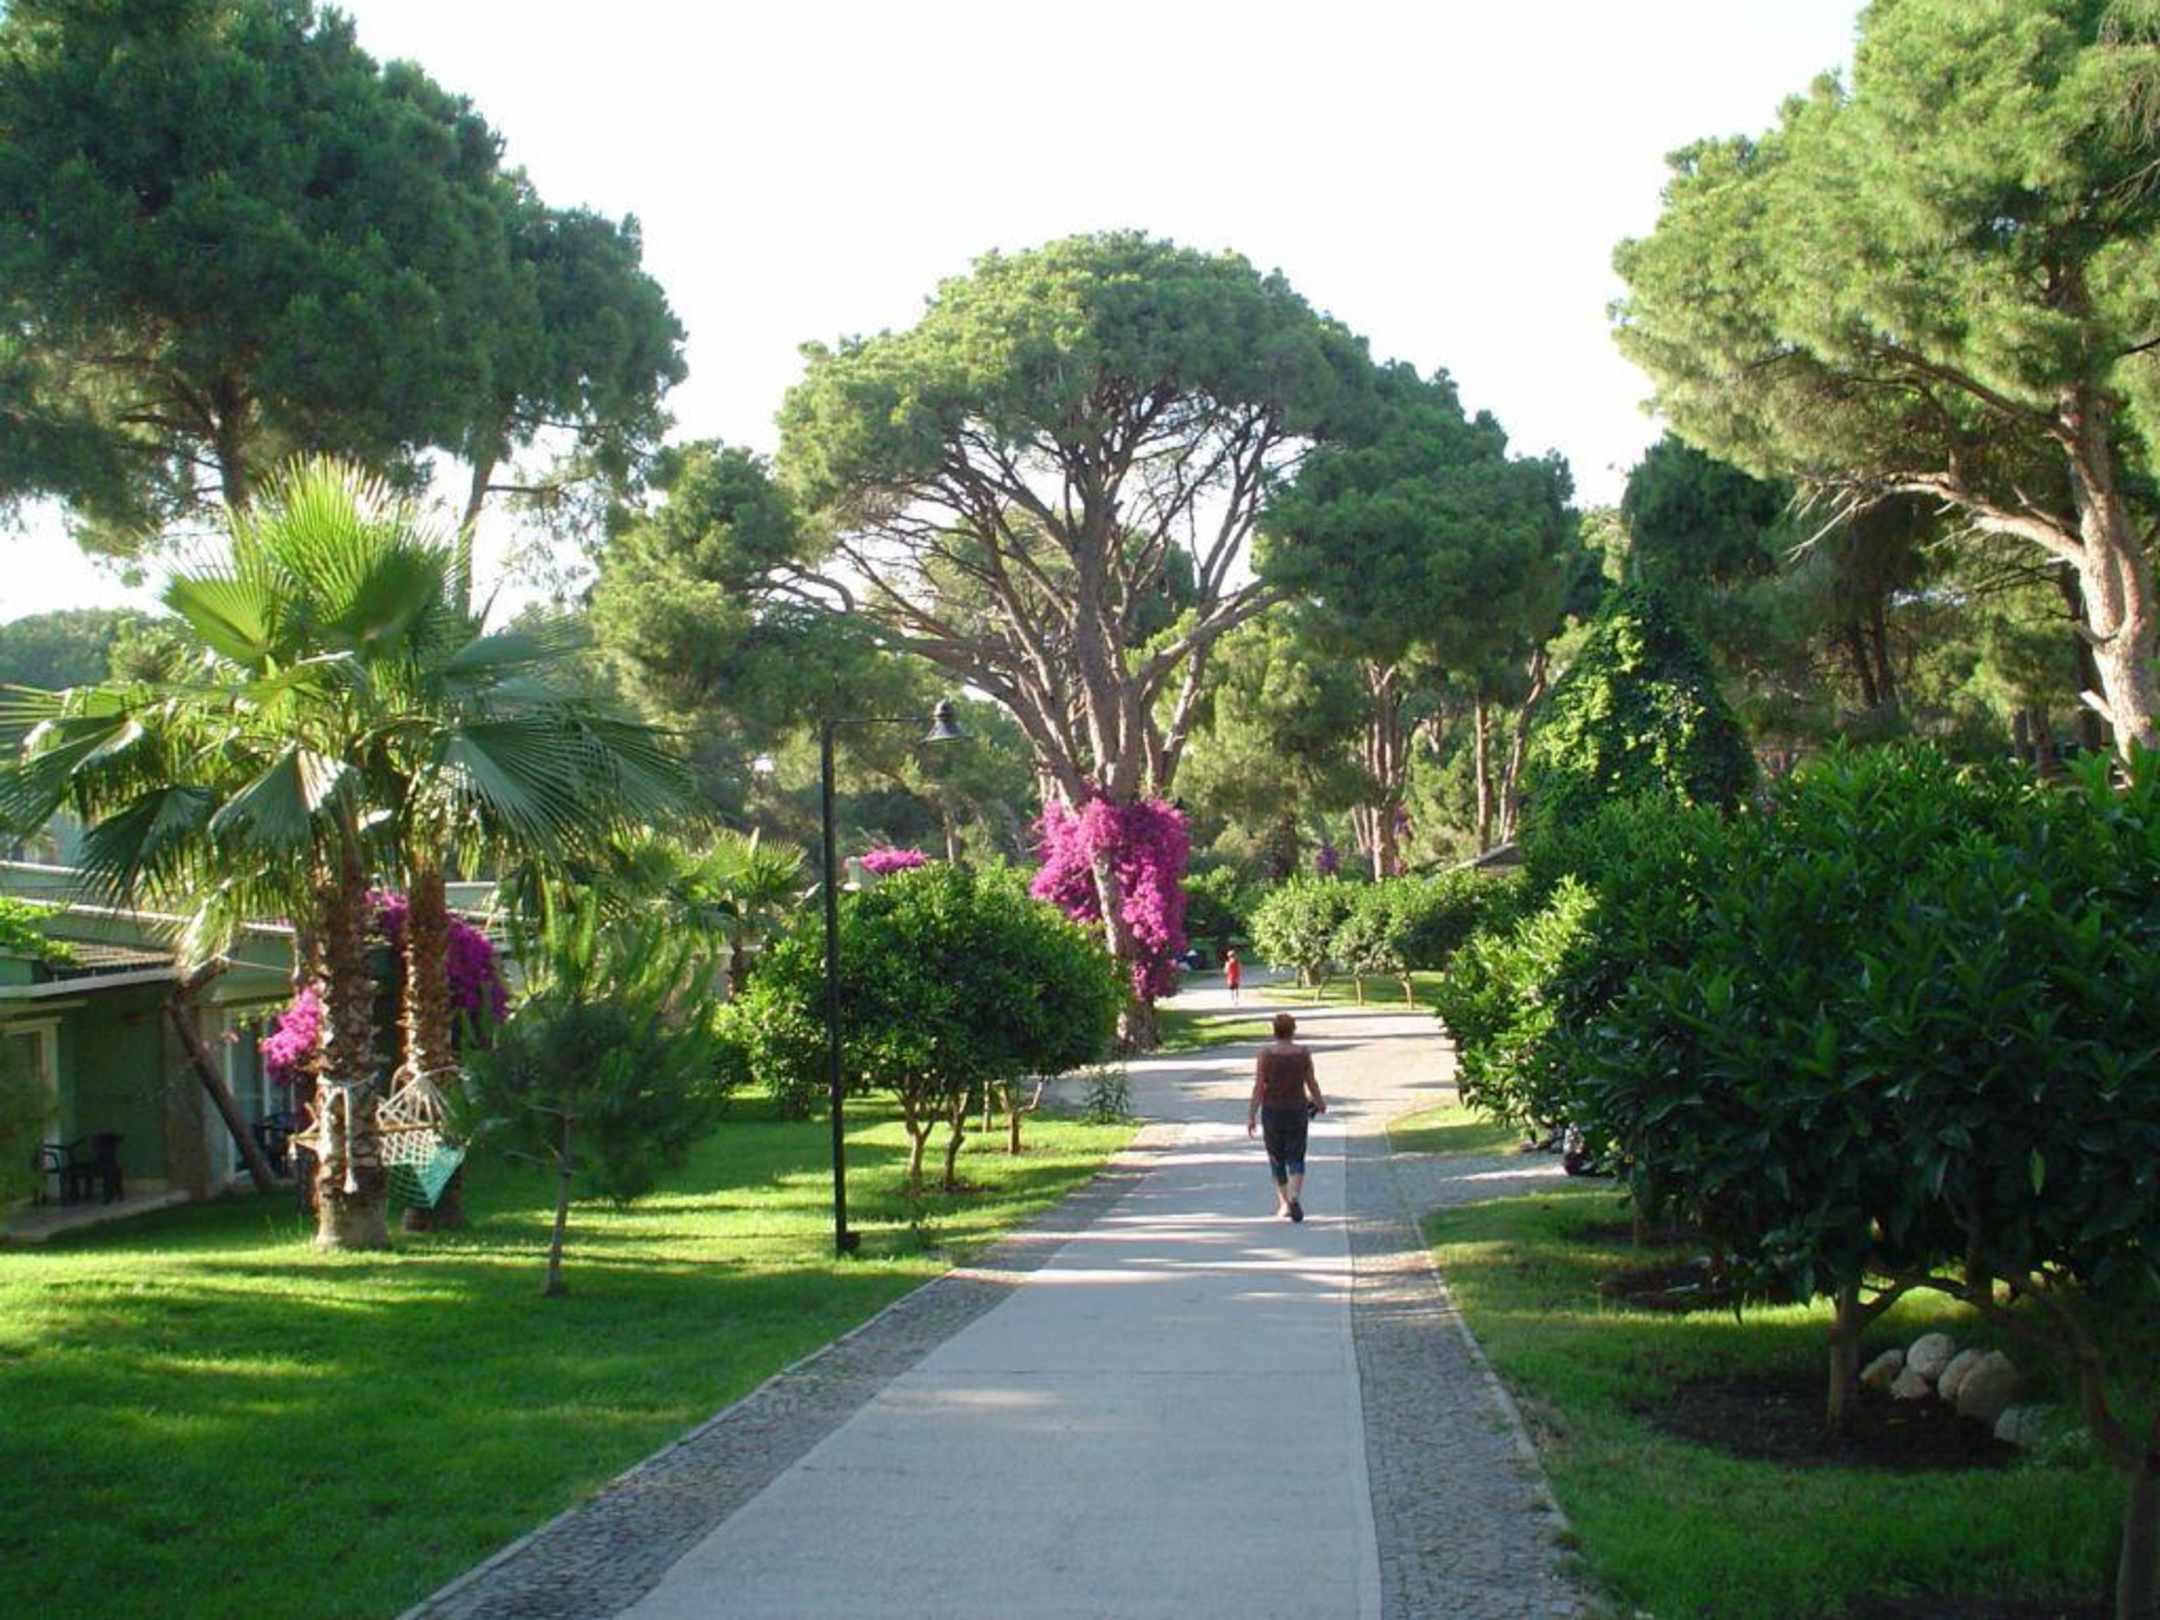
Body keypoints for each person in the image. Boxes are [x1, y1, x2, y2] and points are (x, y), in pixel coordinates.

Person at [1247, 1012, 1325, 1221]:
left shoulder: (1265, 1054)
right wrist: (1319, 1102)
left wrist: (1251, 1115)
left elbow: (1259, 1087)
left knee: (1276, 1158)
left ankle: (1284, 1204)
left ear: (1274, 1031)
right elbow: (1311, 1082)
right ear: (1293, 1031)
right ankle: (1294, 1196)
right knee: (1297, 1155)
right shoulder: (1303, 1053)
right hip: (1297, 1110)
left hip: (1272, 1111)